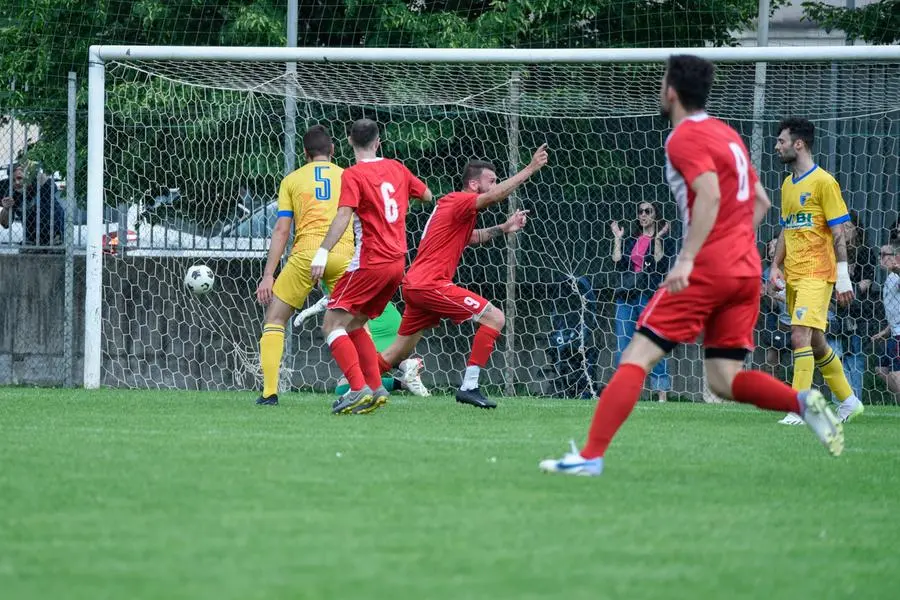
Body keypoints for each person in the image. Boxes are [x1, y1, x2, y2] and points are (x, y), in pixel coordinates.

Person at [539, 54, 843, 477]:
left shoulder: (682, 138)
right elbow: (760, 203)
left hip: (708, 268)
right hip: (742, 270)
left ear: (670, 90)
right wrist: (734, 246)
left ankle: (590, 457)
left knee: (636, 355)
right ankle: (802, 400)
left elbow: (710, 195)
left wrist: (688, 257)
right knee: (724, 378)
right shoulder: (728, 135)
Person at [362, 149, 547, 409]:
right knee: (495, 317)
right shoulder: (460, 200)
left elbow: (470, 238)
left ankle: (355, 385)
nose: (494, 185)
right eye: (491, 180)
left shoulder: (454, 207)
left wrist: (504, 228)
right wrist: (529, 169)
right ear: (474, 184)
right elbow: (495, 197)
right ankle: (470, 386)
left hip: (418, 285)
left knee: (398, 353)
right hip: (430, 284)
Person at [311, 118, 432, 415]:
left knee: (331, 324)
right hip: (396, 263)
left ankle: (357, 389)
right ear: (378, 142)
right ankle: (376, 388)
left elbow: (343, 216)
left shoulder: (353, 175)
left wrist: (322, 252)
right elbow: (428, 196)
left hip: (370, 262)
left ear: (350, 141)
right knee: (355, 325)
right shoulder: (397, 168)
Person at [768, 117, 864, 425]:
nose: (777, 146)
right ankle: (849, 401)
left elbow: (839, 232)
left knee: (799, 335)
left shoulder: (824, 182)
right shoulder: (786, 185)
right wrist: (774, 266)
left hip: (818, 273)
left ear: (799, 143)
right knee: (816, 341)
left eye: (781, 141)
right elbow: (786, 229)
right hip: (794, 273)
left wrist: (844, 277)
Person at [253, 125, 354, 406]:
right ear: (332, 151)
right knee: (354, 324)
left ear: (305, 154)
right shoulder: (348, 176)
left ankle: (269, 393)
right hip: (344, 255)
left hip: (306, 255)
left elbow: (282, 231)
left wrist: (268, 275)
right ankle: (364, 385)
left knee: (274, 320)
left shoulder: (292, 179)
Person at [293, 290, 432, 397]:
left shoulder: (338, 266)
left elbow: (351, 304)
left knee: (344, 388)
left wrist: (313, 309)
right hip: (387, 319)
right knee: (373, 365)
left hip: (376, 324)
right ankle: (405, 373)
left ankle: (405, 370)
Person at [610, 201, 674, 402]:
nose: (643, 214)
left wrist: (657, 238)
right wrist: (618, 239)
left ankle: (661, 393)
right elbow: (618, 263)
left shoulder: (665, 239)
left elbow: (659, 264)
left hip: (649, 297)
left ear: (655, 215)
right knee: (624, 345)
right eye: (640, 211)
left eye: (648, 211)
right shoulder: (631, 240)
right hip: (627, 297)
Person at [828, 210, 878, 402]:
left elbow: (863, 287)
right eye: (841, 227)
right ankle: (838, 400)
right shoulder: (832, 252)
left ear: (857, 230)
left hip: (856, 314)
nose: (845, 231)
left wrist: (846, 283)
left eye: (848, 227)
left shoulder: (865, 253)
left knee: (854, 357)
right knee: (835, 358)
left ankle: (855, 398)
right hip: (832, 312)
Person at [0, 162, 65, 247]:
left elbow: (52, 188)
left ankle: (55, 238)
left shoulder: (41, 184)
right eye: (13, 180)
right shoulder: (9, 190)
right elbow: (5, 225)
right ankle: (31, 239)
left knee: (48, 204)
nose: (17, 183)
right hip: (31, 234)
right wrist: (6, 208)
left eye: (20, 178)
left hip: (51, 229)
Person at [872, 242, 900, 399]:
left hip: (899, 335)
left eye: (884, 255)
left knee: (896, 373)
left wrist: (898, 269)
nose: (880, 258)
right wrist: (885, 331)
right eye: (879, 255)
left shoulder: (896, 275)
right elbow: (896, 310)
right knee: (880, 368)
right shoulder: (890, 277)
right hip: (894, 331)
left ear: (895, 257)